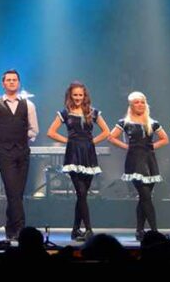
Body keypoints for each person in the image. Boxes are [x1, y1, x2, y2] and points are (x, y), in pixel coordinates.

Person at [47, 81, 110, 241]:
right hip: (73, 155)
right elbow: (51, 132)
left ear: (85, 96)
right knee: (81, 193)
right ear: (70, 95)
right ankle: (89, 229)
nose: (78, 98)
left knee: (82, 195)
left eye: (80, 95)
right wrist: (68, 141)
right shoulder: (65, 112)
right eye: (75, 95)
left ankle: (75, 230)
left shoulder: (93, 112)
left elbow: (106, 131)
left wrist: (91, 142)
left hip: (88, 154)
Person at [0, 69, 39, 241]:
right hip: (3, 151)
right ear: (3, 83)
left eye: (15, 80)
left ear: (19, 83)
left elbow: (34, 129)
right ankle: (21, 229)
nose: (12, 82)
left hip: (22, 151)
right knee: (12, 189)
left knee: (17, 192)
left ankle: (10, 226)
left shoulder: (28, 105)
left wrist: (21, 137)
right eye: (9, 80)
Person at [107, 91, 169, 240]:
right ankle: (155, 232)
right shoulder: (125, 122)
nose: (140, 105)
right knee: (146, 196)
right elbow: (111, 137)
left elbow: (165, 139)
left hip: (150, 161)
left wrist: (152, 146)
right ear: (131, 105)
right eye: (136, 102)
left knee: (143, 198)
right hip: (134, 161)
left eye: (142, 102)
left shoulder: (152, 122)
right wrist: (127, 147)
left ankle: (139, 230)